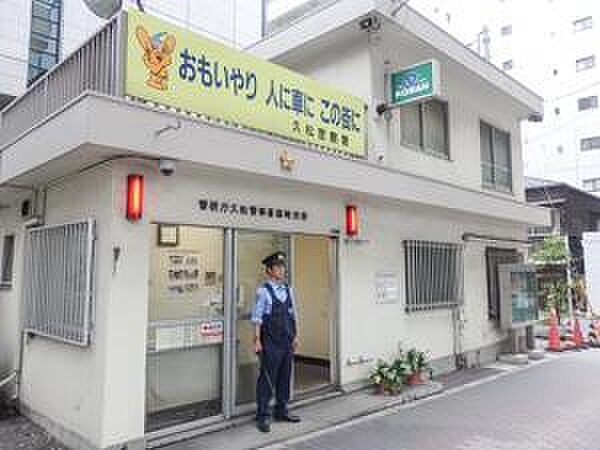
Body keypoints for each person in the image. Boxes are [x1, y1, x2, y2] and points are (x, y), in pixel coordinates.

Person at [251, 251, 301, 433]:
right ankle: (263, 415)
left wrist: (296, 336)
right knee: (266, 379)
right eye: (278, 267)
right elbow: (257, 318)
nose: (282, 270)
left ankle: (282, 410)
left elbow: (293, 314)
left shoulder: (288, 290)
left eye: (283, 267)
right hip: (270, 342)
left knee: (284, 377)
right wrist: (257, 340)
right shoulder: (263, 291)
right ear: (269, 270)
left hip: (287, 341)